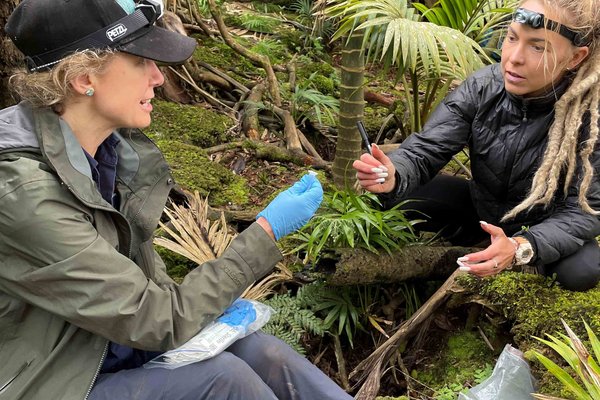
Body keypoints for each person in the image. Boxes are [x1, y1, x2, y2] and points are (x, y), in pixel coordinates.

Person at [0, 0, 354, 399]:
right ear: (84, 79)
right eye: (139, 60)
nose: (157, 76)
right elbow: (156, 318)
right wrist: (265, 231)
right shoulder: (22, 191)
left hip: (113, 348)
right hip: (52, 380)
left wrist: (211, 316)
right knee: (223, 382)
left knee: (265, 352)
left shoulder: (109, 153)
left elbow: (148, 293)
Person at [353, 0, 600, 292]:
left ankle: (521, 263)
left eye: (538, 47)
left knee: (582, 269)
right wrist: (393, 173)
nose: (513, 58)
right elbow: (426, 148)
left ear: (575, 57)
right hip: (480, 209)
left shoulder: (591, 116)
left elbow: (585, 211)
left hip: (541, 226)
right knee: (389, 195)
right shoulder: (483, 87)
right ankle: (475, 244)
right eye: (511, 38)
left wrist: (522, 246)